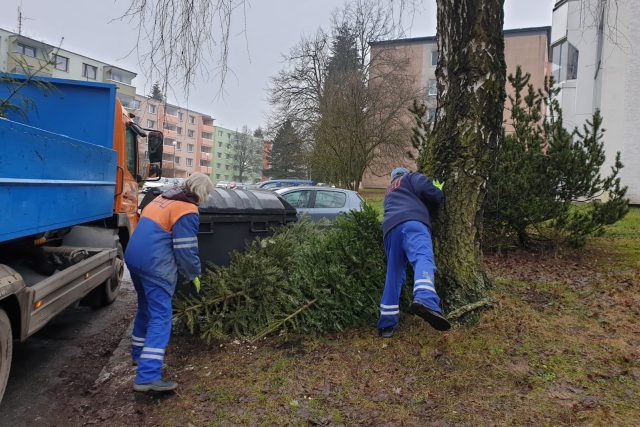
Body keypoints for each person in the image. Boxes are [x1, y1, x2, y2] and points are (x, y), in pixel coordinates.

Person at [124, 172, 214, 392]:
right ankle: (147, 376)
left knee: (145, 308)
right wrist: (194, 275)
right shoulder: (187, 209)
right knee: (161, 317)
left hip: (134, 257)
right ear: (202, 192)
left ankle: (138, 355)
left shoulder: (161, 198)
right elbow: (185, 249)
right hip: (155, 265)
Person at [378, 167, 450, 338]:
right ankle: (425, 298)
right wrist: (438, 188)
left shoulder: (389, 190)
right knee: (422, 257)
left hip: (389, 230)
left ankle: (386, 323)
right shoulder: (410, 177)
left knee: (394, 273)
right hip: (412, 222)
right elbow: (428, 189)